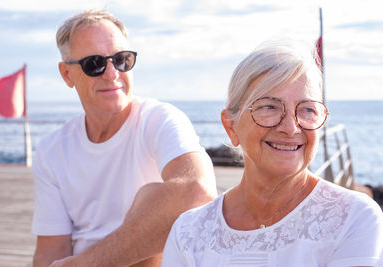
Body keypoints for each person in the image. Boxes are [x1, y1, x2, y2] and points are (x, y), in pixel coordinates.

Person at [162, 40, 383, 266]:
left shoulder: (353, 219)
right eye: (269, 107)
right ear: (231, 126)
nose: (290, 127)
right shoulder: (188, 233)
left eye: (307, 109)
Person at [31, 10, 217, 266]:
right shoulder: (52, 149)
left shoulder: (159, 120)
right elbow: (51, 250)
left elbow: (197, 190)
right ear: (67, 74)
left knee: (151, 196)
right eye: (94, 63)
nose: (111, 73)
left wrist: (90, 263)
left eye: (121, 59)